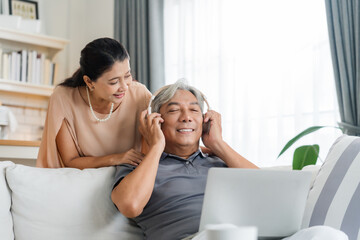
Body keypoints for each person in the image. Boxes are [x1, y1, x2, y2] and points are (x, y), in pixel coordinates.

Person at [111, 80, 258, 239]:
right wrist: (156, 146)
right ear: (156, 120)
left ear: (204, 119)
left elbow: (266, 192)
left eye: (194, 110)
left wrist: (218, 144)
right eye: (174, 110)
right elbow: (130, 206)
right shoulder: (138, 165)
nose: (187, 117)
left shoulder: (220, 161)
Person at [36, 38, 152, 169]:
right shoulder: (63, 98)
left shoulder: (140, 96)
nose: (124, 87)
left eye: (127, 76)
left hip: (128, 179)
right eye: (114, 82)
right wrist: (116, 158)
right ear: (89, 82)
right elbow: (70, 160)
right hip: (84, 180)